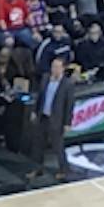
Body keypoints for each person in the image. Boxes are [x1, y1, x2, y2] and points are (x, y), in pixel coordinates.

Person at [28, 51, 79, 184]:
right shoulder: (45, 78)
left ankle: (65, 170)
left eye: (57, 67)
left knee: (58, 146)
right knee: (37, 144)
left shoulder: (67, 84)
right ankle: (37, 169)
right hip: (43, 116)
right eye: (53, 67)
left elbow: (69, 105)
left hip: (57, 119)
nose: (54, 69)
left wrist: (67, 122)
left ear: (62, 68)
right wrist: (34, 111)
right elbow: (40, 96)